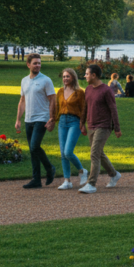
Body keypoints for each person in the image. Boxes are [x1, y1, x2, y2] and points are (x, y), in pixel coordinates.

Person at [79, 64, 123, 193]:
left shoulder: (106, 90)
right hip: (91, 125)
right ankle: (114, 175)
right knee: (99, 153)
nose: (85, 76)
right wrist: (82, 122)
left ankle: (91, 184)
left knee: (94, 154)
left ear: (94, 75)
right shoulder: (88, 89)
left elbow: (113, 109)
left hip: (103, 126)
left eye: (87, 74)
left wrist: (117, 128)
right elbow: (85, 107)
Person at [15, 53, 56, 189]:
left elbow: (52, 100)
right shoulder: (24, 81)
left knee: (34, 146)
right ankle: (36, 179)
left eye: (39, 63)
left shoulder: (46, 80)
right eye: (35, 63)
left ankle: (50, 168)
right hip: (28, 119)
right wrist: (18, 119)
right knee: (33, 150)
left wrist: (52, 118)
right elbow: (22, 101)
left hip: (42, 118)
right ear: (28, 65)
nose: (38, 65)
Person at [51, 68, 88, 190]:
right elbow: (57, 106)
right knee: (63, 154)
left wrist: (82, 123)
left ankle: (82, 171)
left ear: (73, 77)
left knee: (68, 152)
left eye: (68, 76)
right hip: (62, 122)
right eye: (64, 76)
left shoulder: (79, 92)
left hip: (74, 122)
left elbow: (83, 109)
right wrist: (53, 120)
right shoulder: (60, 91)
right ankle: (67, 181)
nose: (65, 78)